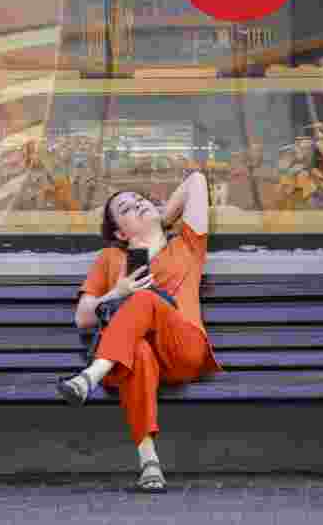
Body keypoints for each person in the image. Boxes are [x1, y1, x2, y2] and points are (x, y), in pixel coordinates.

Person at [56, 169, 224, 492]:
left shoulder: (188, 245)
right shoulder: (110, 258)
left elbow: (196, 182)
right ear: (120, 233)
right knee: (138, 351)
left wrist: (160, 217)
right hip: (133, 357)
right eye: (127, 209)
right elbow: (82, 318)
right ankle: (149, 462)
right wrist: (116, 293)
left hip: (182, 347)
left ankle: (90, 376)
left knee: (145, 298)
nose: (138, 205)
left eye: (139, 200)